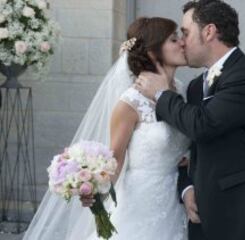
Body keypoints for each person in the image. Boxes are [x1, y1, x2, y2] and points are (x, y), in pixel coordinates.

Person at [23, 17, 191, 240]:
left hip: (176, 199)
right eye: (173, 39)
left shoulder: (180, 92)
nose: (182, 43)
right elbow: (116, 160)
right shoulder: (130, 103)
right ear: (153, 52)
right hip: (141, 202)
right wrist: (94, 192)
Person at [135, 1, 245, 240]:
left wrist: (162, 94)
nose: (182, 41)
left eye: (185, 32)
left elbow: (204, 125)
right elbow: (187, 148)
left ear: (209, 32)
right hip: (203, 218)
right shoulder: (195, 87)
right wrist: (186, 187)